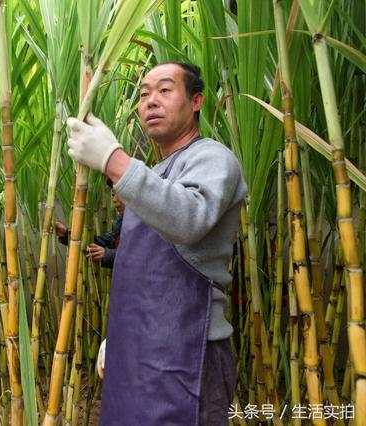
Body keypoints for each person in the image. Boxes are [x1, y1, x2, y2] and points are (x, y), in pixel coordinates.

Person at [67, 62, 247, 425]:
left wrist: (112, 160)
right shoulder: (153, 174)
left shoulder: (211, 157)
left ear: (196, 101)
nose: (151, 101)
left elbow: (188, 217)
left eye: (165, 90)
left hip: (191, 351)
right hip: (139, 349)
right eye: (144, 93)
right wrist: (119, 338)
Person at [54, 180, 124, 268]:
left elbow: (141, 258)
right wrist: (66, 234)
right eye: (113, 194)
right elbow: (103, 243)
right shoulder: (121, 222)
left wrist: (109, 255)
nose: (114, 199)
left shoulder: (143, 222)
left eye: (120, 194)